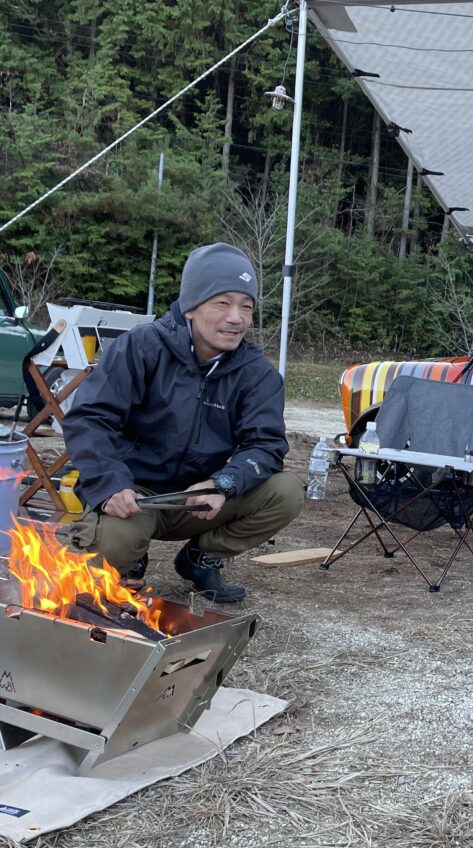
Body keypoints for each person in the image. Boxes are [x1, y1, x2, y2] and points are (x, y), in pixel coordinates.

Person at [62, 242, 304, 603]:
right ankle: (131, 558)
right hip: (134, 495)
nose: (236, 317)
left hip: (195, 498)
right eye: (222, 303)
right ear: (191, 307)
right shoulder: (141, 348)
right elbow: (90, 419)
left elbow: (265, 446)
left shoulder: (257, 375)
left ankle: (201, 559)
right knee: (114, 546)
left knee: (286, 492)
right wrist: (110, 484)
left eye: (246, 306)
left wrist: (222, 484)